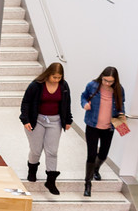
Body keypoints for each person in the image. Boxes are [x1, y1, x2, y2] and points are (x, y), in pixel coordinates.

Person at [20, 61, 73, 194]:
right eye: (54, 77)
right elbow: (26, 102)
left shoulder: (64, 86)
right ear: (48, 74)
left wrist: (68, 120)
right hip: (36, 120)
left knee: (52, 151)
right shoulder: (36, 85)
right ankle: (32, 170)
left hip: (55, 121)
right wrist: (25, 120)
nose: (56, 80)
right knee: (36, 150)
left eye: (59, 77)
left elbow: (67, 104)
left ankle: (51, 180)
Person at [81, 65, 126, 197]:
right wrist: (84, 104)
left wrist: (122, 113)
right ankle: (87, 183)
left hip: (109, 127)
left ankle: (96, 168)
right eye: (105, 80)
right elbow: (83, 96)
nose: (106, 83)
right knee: (91, 154)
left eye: (110, 81)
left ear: (115, 81)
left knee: (103, 154)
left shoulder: (118, 89)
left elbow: (121, 103)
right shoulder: (93, 85)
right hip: (92, 126)